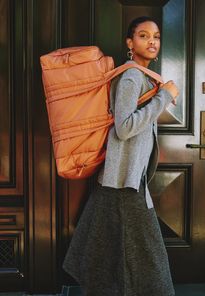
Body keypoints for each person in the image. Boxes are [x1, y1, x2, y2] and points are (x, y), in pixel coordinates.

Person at [63, 16, 179, 296]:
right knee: (150, 259)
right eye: (143, 35)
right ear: (130, 43)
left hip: (122, 180)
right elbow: (125, 128)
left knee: (109, 252)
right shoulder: (131, 76)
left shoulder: (140, 76)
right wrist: (164, 97)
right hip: (124, 182)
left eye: (156, 36)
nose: (152, 41)